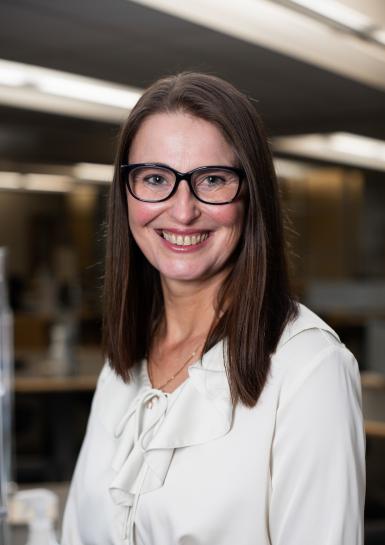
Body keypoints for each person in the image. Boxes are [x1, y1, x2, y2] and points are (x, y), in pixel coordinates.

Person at [61, 72, 365, 545]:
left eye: (214, 180)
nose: (182, 211)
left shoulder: (309, 369)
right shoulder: (126, 357)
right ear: (126, 194)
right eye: (156, 178)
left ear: (252, 195)